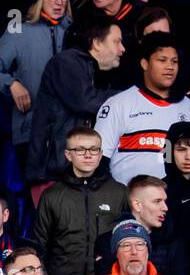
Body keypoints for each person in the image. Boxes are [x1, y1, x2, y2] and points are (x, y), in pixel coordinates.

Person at [0, 0, 73, 174]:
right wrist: (11, 84)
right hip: (31, 131)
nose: (59, 1)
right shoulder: (19, 30)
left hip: (70, 133)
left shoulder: (75, 31)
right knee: (36, 197)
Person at [31, 125, 126, 275]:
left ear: (100, 154)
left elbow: (127, 244)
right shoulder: (51, 196)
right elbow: (38, 250)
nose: (88, 155)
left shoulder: (120, 193)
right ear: (68, 155)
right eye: (80, 150)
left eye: (94, 149)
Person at [26, 20, 123, 185]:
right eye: (116, 41)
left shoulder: (93, 69)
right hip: (53, 172)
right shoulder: (66, 62)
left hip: (71, 169)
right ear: (97, 43)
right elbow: (85, 101)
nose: (122, 49)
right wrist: (129, 98)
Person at [95, 35, 190, 185]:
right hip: (126, 201)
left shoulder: (188, 107)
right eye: (162, 60)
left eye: (174, 61)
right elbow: (99, 158)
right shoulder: (119, 103)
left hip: (173, 201)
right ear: (145, 63)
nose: (170, 66)